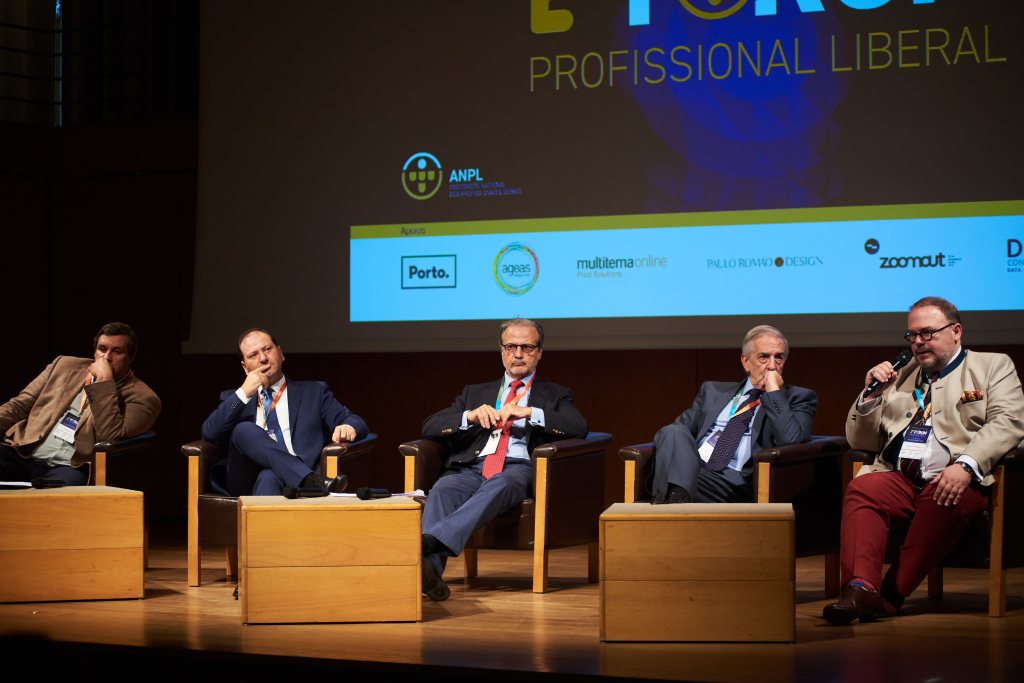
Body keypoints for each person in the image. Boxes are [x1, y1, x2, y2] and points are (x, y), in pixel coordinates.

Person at [823, 296, 1024, 624]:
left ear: (956, 331)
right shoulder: (900, 375)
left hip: (961, 476)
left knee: (943, 493)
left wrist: (966, 464)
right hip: (903, 478)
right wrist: (871, 396)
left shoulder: (992, 366)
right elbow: (861, 442)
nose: (918, 342)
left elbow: (1008, 421)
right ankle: (860, 588)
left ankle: (890, 595)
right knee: (863, 488)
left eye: (927, 333)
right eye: (912, 335)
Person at [419, 318, 588, 601]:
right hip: (472, 467)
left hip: (516, 468)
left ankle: (434, 541)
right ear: (501, 351)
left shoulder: (555, 395)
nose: (518, 354)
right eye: (511, 346)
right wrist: (469, 416)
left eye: (526, 347)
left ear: (539, 352)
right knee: (444, 488)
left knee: (503, 483)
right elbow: (430, 426)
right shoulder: (475, 392)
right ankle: (428, 575)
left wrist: (530, 413)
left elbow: (578, 426)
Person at [649, 324, 818, 504]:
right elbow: (674, 433)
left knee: (673, 476)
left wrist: (774, 393)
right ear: (746, 361)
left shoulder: (798, 398)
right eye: (763, 357)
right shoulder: (713, 391)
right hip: (697, 466)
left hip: (737, 480)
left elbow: (791, 440)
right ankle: (678, 498)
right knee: (673, 431)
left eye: (778, 357)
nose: (772, 366)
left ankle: (672, 499)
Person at [201, 327, 368, 496]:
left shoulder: (314, 392)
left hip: (285, 479)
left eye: (267, 349)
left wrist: (348, 427)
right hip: (247, 479)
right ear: (245, 367)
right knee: (242, 430)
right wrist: (244, 392)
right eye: (253, 355)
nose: (263, 358)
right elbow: (210, 432)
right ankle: (310, 479)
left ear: (280, 353)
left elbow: (354, 420)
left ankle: (302, 478)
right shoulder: (236, 398)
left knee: (269, 476)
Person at [0, 322, 161, 485]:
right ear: (95, 351)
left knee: (59, 491)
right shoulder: (64, 366)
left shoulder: (143, 398)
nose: (106, 357)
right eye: (102, 349)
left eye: (117, 351)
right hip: (25, 453)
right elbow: (19, 406)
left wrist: (104, 383)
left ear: (131, 357)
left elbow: (110, 437)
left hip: (71, 467)